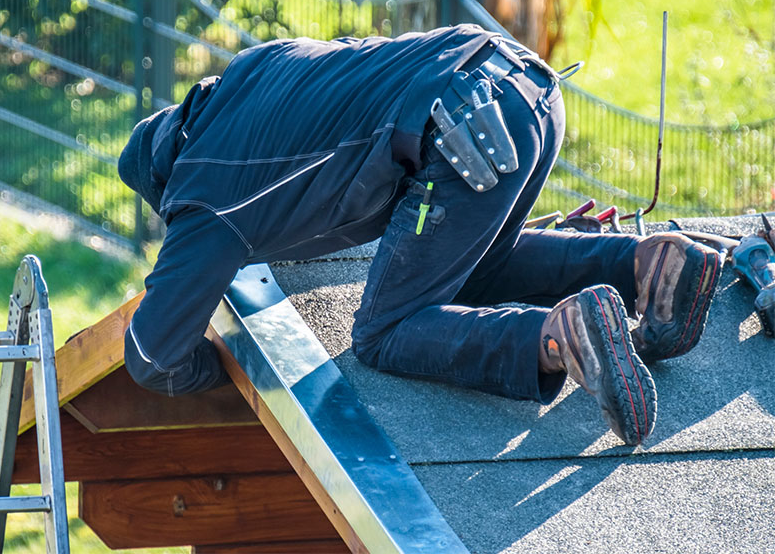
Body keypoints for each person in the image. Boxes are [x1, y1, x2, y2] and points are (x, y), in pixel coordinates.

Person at [118, 24, 722, 446]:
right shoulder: (256, 69)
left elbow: (150, 358)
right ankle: (646, 266)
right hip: (520, 88)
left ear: (165, 181)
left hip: (458, 140)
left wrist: (227, 367)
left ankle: (556, 337)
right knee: (476, 269)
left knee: (383, 332)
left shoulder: (203, 195)